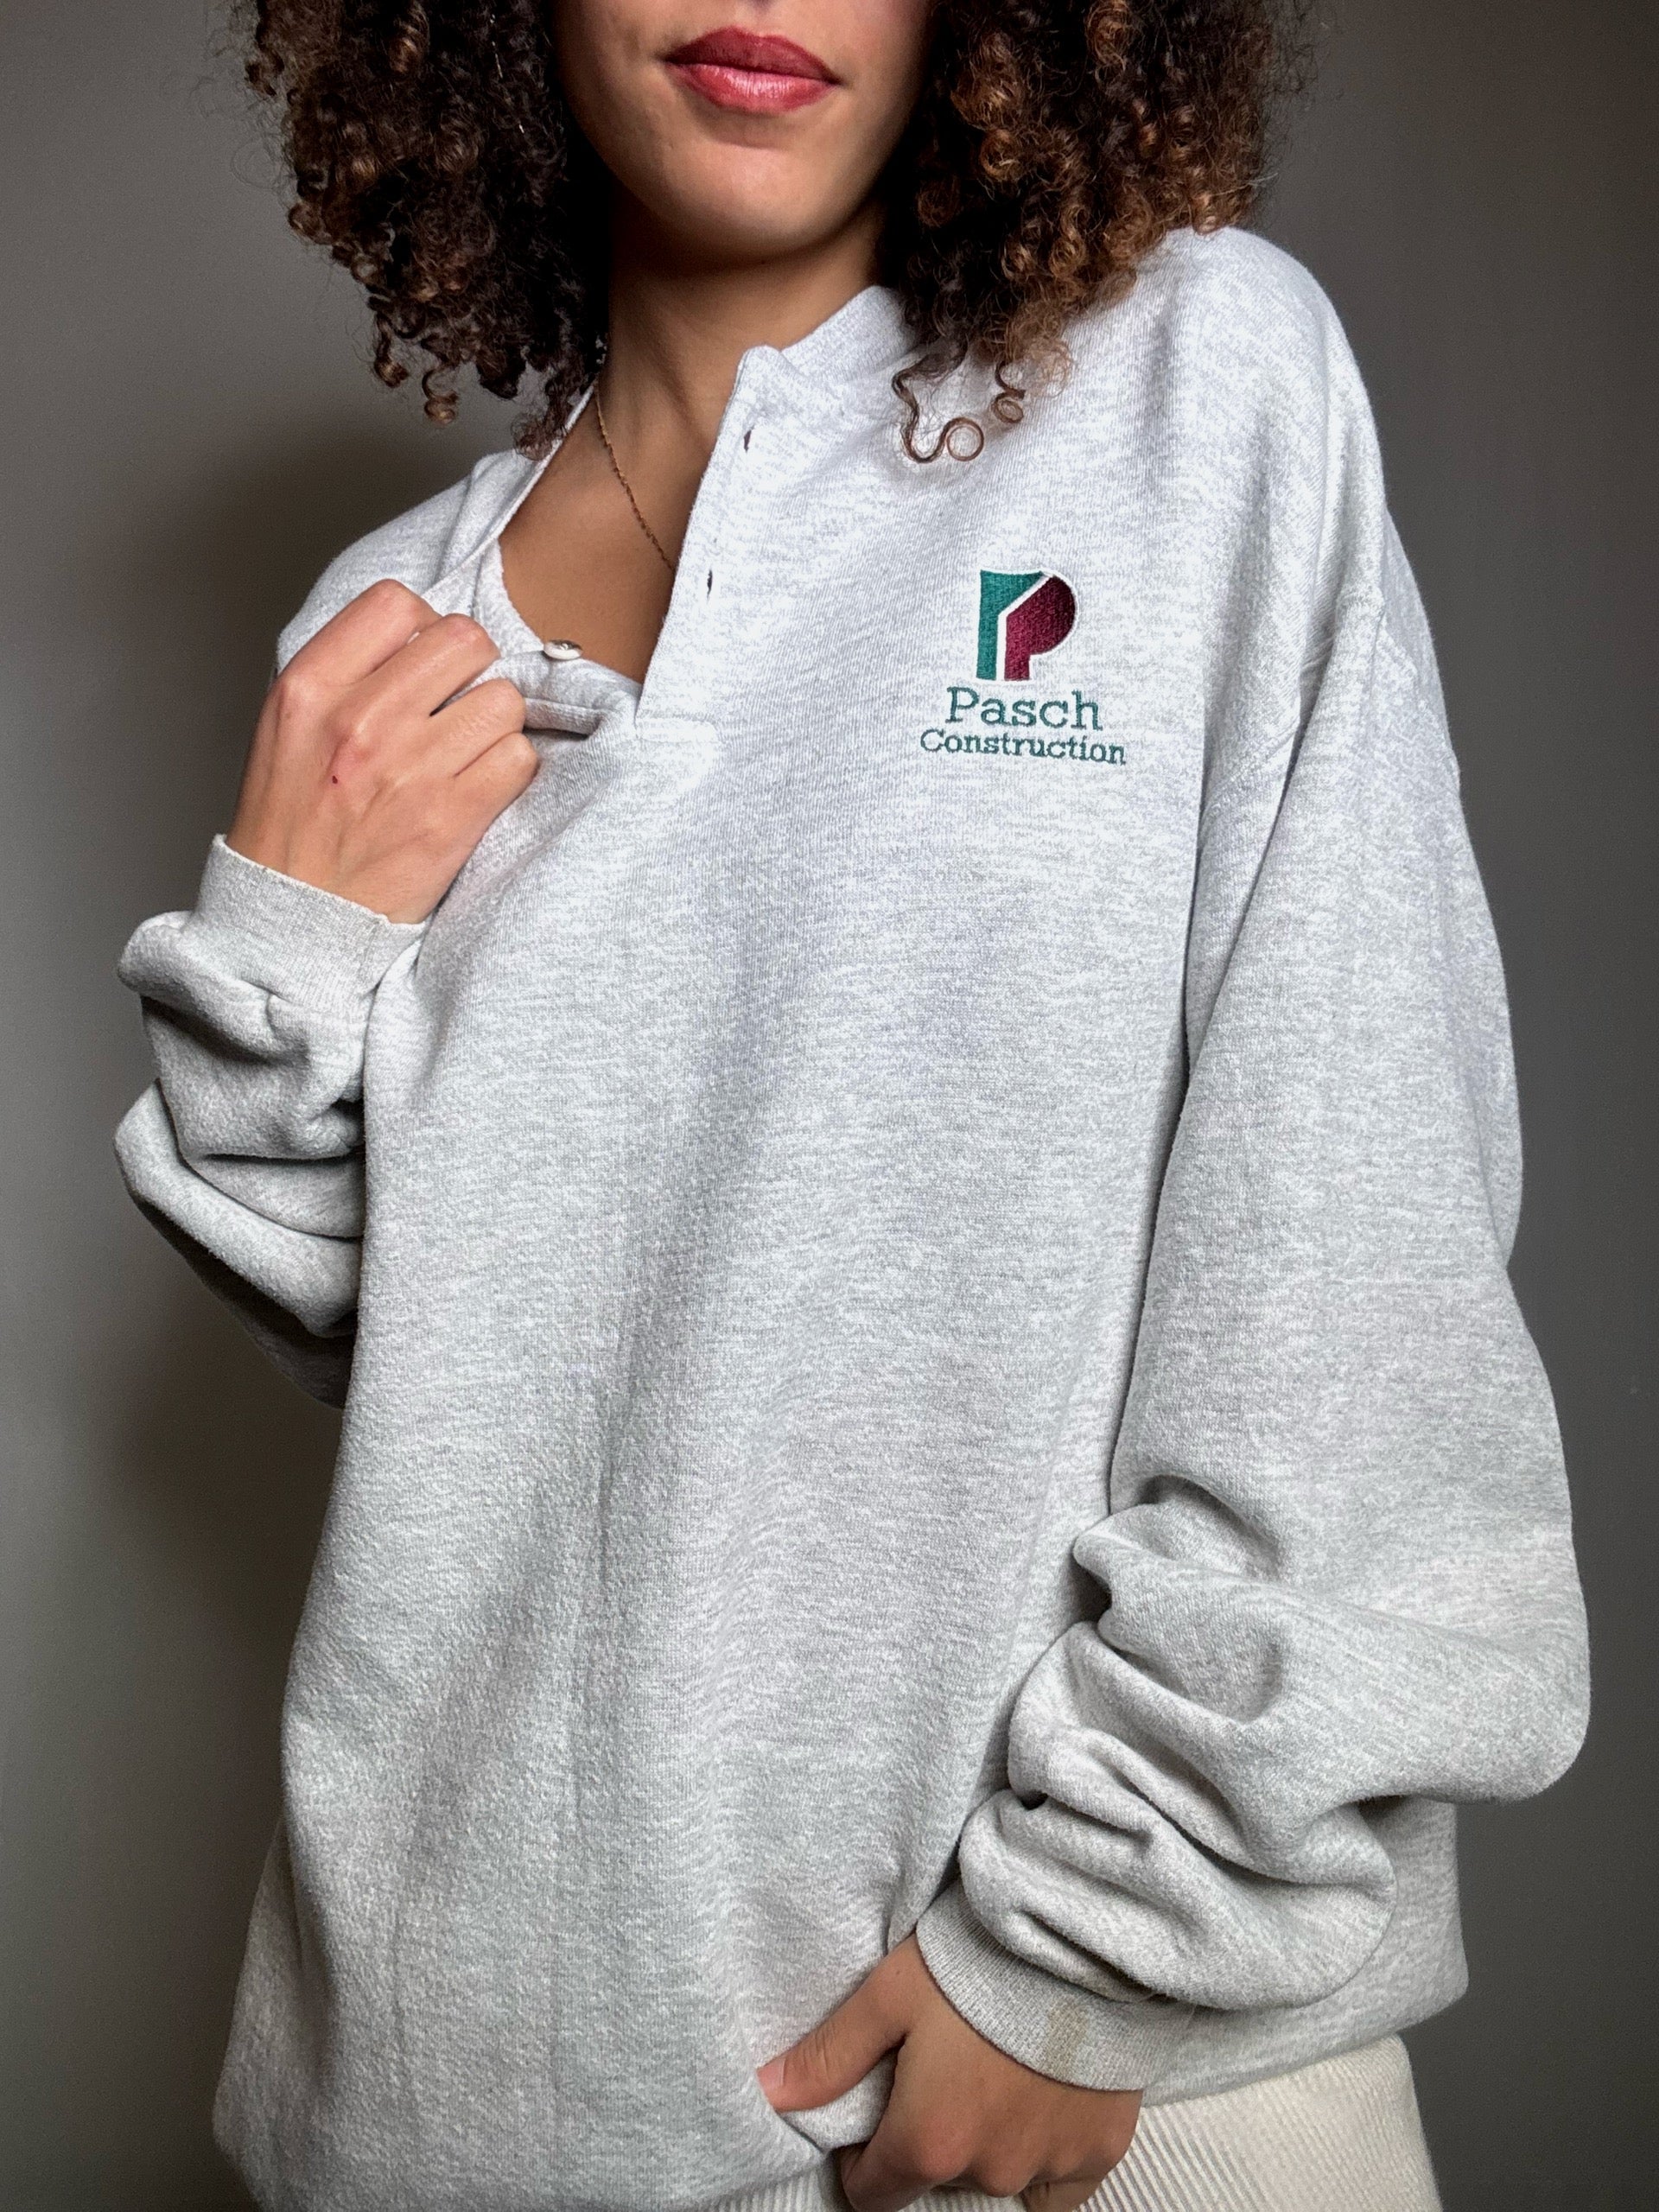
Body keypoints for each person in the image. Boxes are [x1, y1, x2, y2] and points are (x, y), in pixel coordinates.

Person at [112, 0, 1591, 2207]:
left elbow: (1356, 1243)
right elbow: (421, 1361)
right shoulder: (388, 629)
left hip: (1074, 2067)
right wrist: (282, 937)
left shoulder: (1195, 388)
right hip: (469, 2095)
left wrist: (1088, 1953)